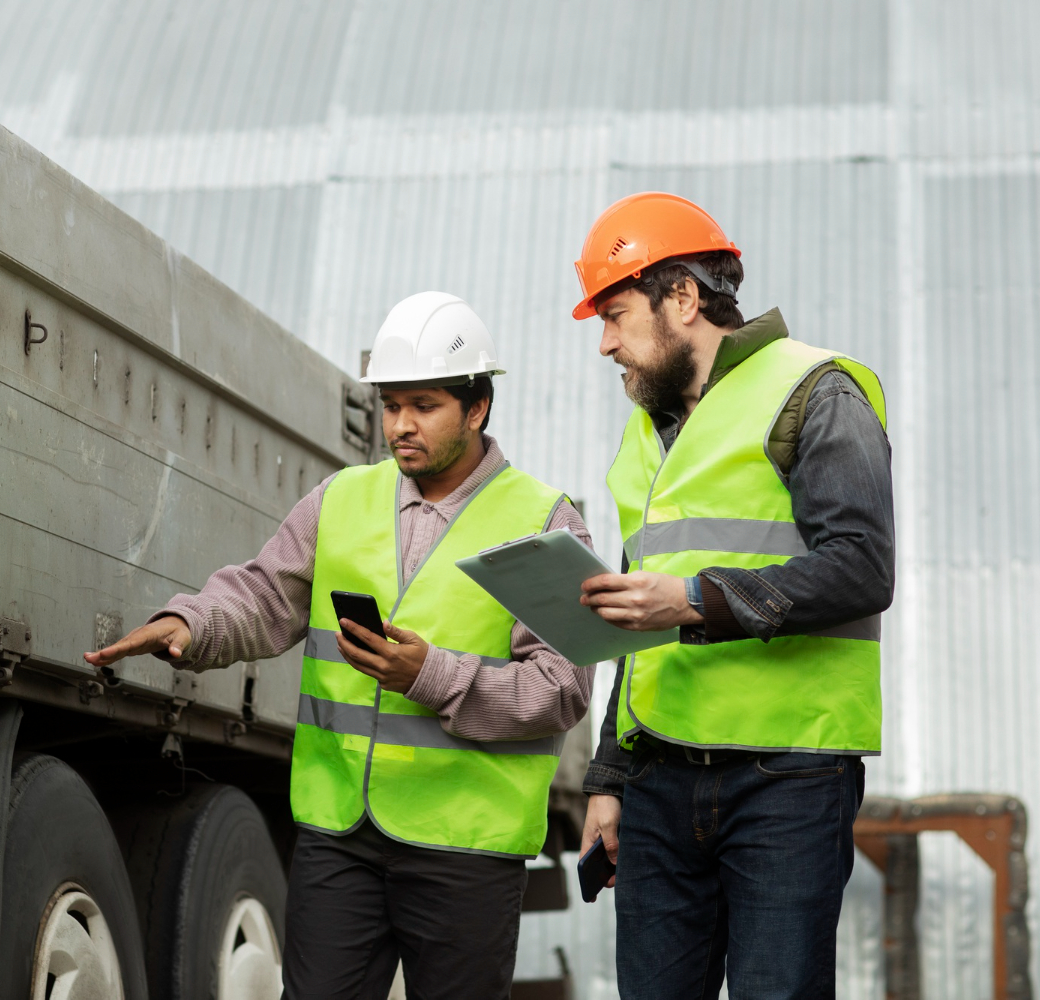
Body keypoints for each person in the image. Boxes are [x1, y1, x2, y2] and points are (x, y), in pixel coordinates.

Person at [87, 291, 594, 1000]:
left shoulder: (543, 519)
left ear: (476, 408)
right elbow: (263, 597)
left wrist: (433, 674)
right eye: (391, 406)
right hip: (340, 836)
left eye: (424, 406)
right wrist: (192, 626)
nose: (401, 426)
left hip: (465, 848)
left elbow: (562, 687)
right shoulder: (341, 499)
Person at [570, 192, 894, 999]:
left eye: (615, 315)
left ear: (682, 297)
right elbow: (634, 625)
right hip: (657, 787)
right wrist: (608, 778)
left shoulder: (816, 392)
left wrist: (691, 601)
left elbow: (860, 567)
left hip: (786, 782)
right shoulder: (645, 438)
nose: (605, 343)